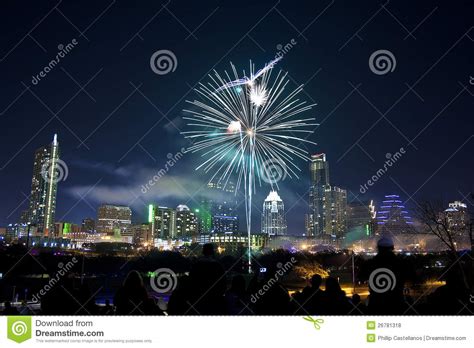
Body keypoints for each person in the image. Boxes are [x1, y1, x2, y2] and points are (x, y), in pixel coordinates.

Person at [358, 236, 412, 315]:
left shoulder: (370, 264)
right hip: (397, 304)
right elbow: (412, 277)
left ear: (378, 248)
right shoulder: (401, 263)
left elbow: (361, 277)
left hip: (376, 304)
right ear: (392, 248)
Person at [186, 244, 227, 314]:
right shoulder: (217, 266)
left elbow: (191, 282)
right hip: (214, 300)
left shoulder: (196, 265)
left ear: (203, 252)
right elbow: (223, 284)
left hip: (198, 300)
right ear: (212, 252)